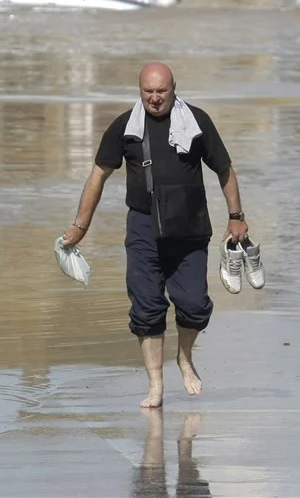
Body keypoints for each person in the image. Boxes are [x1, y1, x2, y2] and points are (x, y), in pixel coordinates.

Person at [60, 62, 264, 409]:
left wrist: (237, 218)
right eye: (148, 92)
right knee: (147, 308)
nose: (154, 99)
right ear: (140, 90)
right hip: (143, 228)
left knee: (195, 306)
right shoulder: (126, 127)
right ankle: (155, 385)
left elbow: (225, 170)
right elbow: (98, 175)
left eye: (161, 91)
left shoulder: (196, 122)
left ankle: (184, 357)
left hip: (189, 229)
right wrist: (80, 226)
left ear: (173, 88)